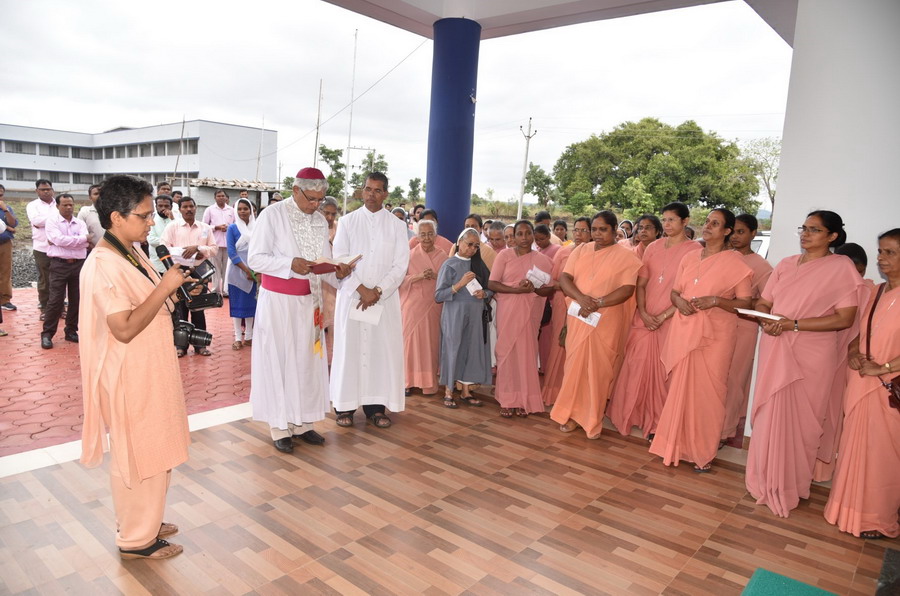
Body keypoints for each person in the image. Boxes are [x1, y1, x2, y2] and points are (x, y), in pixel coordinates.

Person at [79, 174, 190, 560]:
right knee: (138, 454)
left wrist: (176, 288)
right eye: (143, 216)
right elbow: (123, 328)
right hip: (128, 374)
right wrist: (164, 288)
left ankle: (148, 518)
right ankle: (136, 539)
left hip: (149, 368)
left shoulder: (131, 250)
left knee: (155, 448)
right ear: (116, 217)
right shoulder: (102, 264)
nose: (150, 222)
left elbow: (150, 301)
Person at [745, 210, 866, 518]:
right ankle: (764, 480)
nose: (805, 234)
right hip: (776, 345)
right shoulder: (786, 264)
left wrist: (793, 325)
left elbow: (844, 318)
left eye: (814, 230)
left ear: (832, 236)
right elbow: (764, 302)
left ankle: (792, 485)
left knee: (804, 422)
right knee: (770, 413)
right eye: (804, 228)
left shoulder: (840, 267)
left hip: (812, 353)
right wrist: (767, 319)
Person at [247, 168, 351, 453]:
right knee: (280, 362)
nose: (316, 205)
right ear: (295, 190)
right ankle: (280, 426)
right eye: (311, 198)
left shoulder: (319, 221)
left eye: (320, 199)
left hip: (310, 302)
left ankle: (303, 423)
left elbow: (323, 262)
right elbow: (255, 258)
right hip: (278, 303)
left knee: (306, 363)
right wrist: (289, 263)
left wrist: (338, 271)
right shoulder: (272, 215)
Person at [648, 209, 752, 472]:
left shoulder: (736, 263)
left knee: (710, 393)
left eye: (715, 224)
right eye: (707, 222)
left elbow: (745, 303)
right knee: (680, 389)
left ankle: (702, 453)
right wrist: (679, 302)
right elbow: (675, 292)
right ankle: (674, 446)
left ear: (727, 231)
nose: (707, 226)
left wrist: (716, 301)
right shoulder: (690, 256)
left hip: (716, 336)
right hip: (685, 330)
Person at [824, 228, 900, 539]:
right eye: (880, 251)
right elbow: (860, 334)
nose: (881, 258)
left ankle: (878, 518)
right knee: (853, 448)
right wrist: (854, 353)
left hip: (887, 388)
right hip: (861, 381)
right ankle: (847, 511)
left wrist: (883, 368)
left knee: (882, 455)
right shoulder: (877, 292)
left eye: (890, 252)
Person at [608, 202, 701, 439]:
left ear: (685, 221)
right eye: (665, 219)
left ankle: (659, 424)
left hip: (671, 320)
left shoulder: (695, 251)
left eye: (672, 220)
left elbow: (688, 292)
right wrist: (643, 311)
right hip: (644, 317)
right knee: (635, 367)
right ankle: (630, 416)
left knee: (663, 373)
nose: (667, 224)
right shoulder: (652, 247)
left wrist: (662, 317)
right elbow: (641, 284)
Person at [550, 212, 643, 438]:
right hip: (578, 317)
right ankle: (571, 414)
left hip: (606, 320)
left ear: (614, 229)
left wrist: (598, 303)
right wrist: (582, 299)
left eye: (603, 229)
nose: (598, 234)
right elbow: (565, 278)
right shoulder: (581, 250)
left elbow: (627, 289)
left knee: (598, 372)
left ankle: (591, 418)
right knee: (574, 368)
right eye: (594, 229)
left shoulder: (627, 257)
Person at [330, 172, 409, 428]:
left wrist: (378, 290)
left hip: (383, 301)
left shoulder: (397, 226)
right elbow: (339, 259)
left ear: (385, 193)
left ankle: (376, 407)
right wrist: (361, 289)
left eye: (377, 190)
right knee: (349, 350)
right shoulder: (347, 222)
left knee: (379, 352)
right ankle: (345, 407)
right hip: (353, 297)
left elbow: (400, 265)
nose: (371, 194)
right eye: (367, 189)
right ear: (362, 191)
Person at [489, 220, 554, 417]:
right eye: (520, 234)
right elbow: (492, 283)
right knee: (507, 353)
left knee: (526, 354)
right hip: (508, 311)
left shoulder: (543, 260)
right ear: (513, 237)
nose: (524, 238)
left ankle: (525, 399)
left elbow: (549, 290)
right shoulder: (504, 256)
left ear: (533, 235)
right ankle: (507, 399)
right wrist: (516, 290)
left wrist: (533, 288)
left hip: (529, 314)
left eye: (528, 233)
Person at [721, 214, 773, 444]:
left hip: (743, 327)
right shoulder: (722, 258)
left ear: (753, 233)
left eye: (741, 232)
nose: (735, 237)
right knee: (714, 377)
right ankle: (704, 426)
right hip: (717, 325)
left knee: (733, 380)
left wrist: (736, 302)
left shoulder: (761, 265)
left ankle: (723, 431)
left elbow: (767, 300)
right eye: (732, 231)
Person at [435, 228, 494, 407]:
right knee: (453, 349)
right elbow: (438, 295)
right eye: (469, 244)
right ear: (459, 242)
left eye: (476, 246)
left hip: (476, 315)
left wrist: (484, 293)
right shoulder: (449, 264)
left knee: (471, 350)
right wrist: (459, 284)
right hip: (454, 315)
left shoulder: (479, 264)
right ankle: (449, 391)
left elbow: (491, 288)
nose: (472, 249)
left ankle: (466, 391)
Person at [540, 216, 590, 406]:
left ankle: (575, 397)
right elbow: (552, 281)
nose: (579, 234)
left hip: (585, 308)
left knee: (579, 350)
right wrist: (568, 287)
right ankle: (553, 392)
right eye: (576, 230)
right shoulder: (563, 252)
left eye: (584, 230)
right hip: (563, 304)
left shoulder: (595, 254)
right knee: (559, 345)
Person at [161, 197, 218, 357]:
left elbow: (214, 249)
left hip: (199, 271)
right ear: (179, 209)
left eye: (191, 206)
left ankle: (200, 345)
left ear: (196, 207)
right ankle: (181, 346)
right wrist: (182, 253)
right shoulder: (173, 227)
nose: (188, 209)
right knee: (180, 309)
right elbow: (163, 246)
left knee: (198, 307)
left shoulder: (205, 228)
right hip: (179, 270)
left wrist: (199, 249)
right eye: (185, 207)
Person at [400, 220, 449, 396]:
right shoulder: (409, 255)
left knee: (430, 344)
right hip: (412, 305)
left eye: (430, 234)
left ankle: (427, 382)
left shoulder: (443, 256)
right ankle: (407, 381)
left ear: (435, 236)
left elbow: (450, 281)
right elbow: (400, 280)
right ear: (417, 236)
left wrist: (436, 276)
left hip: (433, 305)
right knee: (409, 343)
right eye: (423, 234)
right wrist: (419, 276)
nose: (427, 238)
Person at [41, 194, 90, 349]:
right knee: (55, 300)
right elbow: (58, 239)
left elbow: (85, 243)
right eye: (65, 205)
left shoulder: (80, 223)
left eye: (71, 205)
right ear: (57, 206)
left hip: (78, 265)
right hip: (59, 265)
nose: (69, 208)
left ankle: (71, 331)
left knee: (76, 300)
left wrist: (69, 241)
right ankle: (47, 334)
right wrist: (81, 240)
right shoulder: (52, 222)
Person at [225, 198, 258, 350]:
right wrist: (247, 270)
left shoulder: (257, 228)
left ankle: (249, 337)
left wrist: (254, 271)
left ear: (251, 210)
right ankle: (238, 338)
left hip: (254, 270)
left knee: (251, 305)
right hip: (237, 271)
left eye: (246, 208)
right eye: (239, 209)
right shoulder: (232, 228)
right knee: (237, 306)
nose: (242, 211)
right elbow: (232, 252)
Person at [27, 179, 57, 315]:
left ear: (52, 190)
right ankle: (45, 307)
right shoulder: (32, 205)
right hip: (41, 247)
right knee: (44, 279)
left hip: (60, 247)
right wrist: (56, 218)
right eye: (43, 189)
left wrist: (47, 219)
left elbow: (66, 218)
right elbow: (36, 221)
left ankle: (59, 307)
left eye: (48, 189)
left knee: (59, 279)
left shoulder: (59, 203)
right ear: (37, 191)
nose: (46, 192)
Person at [202, 189, 236, 297]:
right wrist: (216, 227)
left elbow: (236, 225)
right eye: (219, 196)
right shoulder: (209, 210)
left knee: (227, 268)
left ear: (226, 198)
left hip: (229, 244)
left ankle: (226, 290)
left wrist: (229, 228)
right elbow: (204, 226)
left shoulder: (231, 210)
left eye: (223, 196)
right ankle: (215, 290)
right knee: (215, 268)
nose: (221, 198)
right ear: (215, 198)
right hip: (215, 244)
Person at [320, 197, 339, 364]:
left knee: (334, 323)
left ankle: (334, 361)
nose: (330, 218)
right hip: (316, 283)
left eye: (333, 214)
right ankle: (317, 361)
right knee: (316, 322)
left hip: (334, 283)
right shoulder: (312, 229)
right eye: (326, 213)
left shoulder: (340, 229)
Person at [0, 184, 18, 312]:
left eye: (1, 194)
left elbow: (13, 223)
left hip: (4, 243)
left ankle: (5, 300)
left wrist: (5, 210)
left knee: (5, 272)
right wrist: (8, 228)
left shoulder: (7, 208)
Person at [148, 195, 177, 273]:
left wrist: (172, 219)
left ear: (171, 207)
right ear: (156, 207)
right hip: (157, 264)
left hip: (175, 263)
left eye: (166, 206)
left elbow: (179, 237)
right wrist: (170, 241)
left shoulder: (176, 219)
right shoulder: (151, 219)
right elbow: (151, 240)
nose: (163, 208)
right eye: (160, 206)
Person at [77, 184, 104, 249]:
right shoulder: (84, 212)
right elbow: (80, 234)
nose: (99, 196)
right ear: (90, 197)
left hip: (112, 251)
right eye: (96, 194)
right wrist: (95, 249)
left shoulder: (113, 212)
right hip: (92, 251)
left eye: (102, 193)